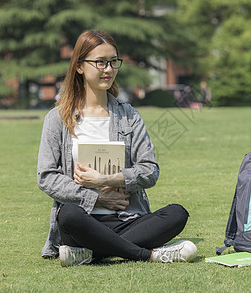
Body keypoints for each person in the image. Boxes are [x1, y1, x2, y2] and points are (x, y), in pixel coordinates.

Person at [37, 30, 198, 267]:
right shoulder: (57, 118)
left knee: (177, 213)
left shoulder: (129, 116)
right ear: (80, 66)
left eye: (113, 62)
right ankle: (149, 255)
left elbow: (150, 170)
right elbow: (46, 177)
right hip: (83, 222)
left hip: (128, 218)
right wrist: (96, 197)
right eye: (100, 62)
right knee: (69, 214)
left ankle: (90, 255)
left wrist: (109, 179)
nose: (108, 69)